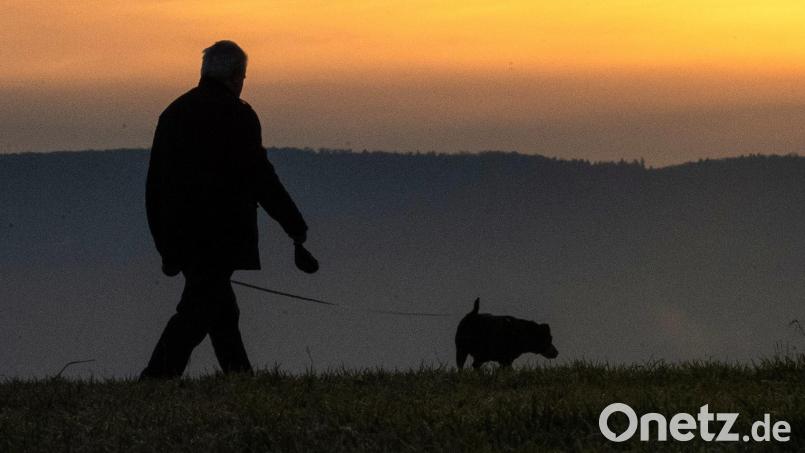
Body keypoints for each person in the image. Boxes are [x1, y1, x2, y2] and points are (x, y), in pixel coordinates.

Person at [141, 40, 311, 379]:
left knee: (220, 310)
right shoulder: (239, 115)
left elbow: (154, 186)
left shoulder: (173, 114)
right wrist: (295, 226)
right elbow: (261, 178)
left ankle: (239, 377)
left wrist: (164, 244)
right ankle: (155, 379)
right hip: (222, 237)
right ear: (235, 77)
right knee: (196, 313)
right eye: (243, 77)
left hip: (181, 237)